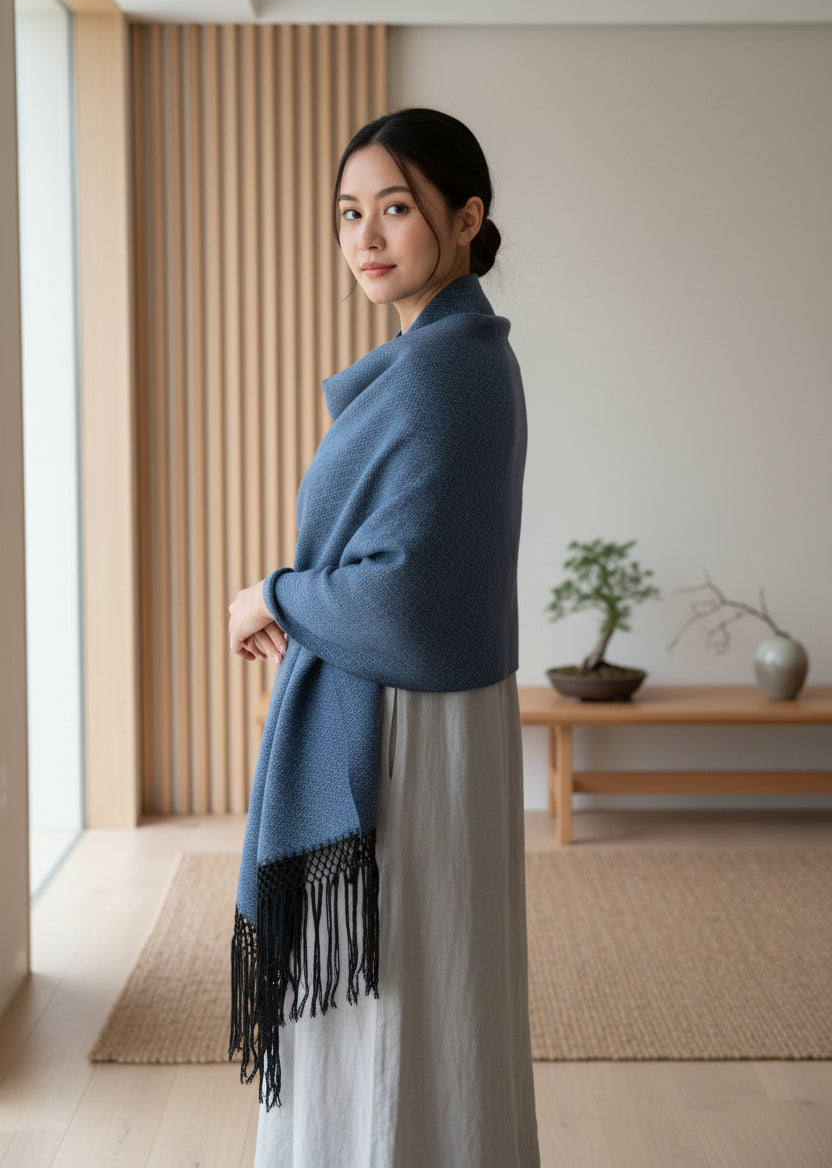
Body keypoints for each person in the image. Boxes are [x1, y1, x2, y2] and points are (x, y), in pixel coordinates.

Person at [227, 107, 541, 1167]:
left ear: (465, 218)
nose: (364, 236)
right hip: (419, 721)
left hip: (409, 735)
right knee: (422, 996)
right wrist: (299, 595)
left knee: (397, 1000)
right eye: (349, 212)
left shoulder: (446, 367)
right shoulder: (447, 354)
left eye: (395, 209)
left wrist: (274, 591)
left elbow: (404, 600)